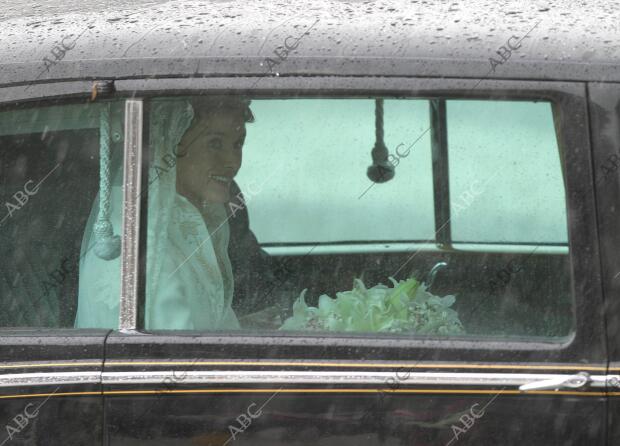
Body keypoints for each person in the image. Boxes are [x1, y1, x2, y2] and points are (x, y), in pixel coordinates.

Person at [75, 96, 263, 329]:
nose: (232, 162)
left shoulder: (187, 223)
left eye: (238, 144)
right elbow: (175, 357)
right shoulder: (141, 245)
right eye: (214, 143)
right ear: (169, 144)